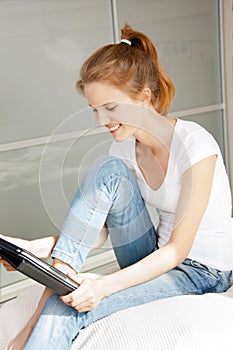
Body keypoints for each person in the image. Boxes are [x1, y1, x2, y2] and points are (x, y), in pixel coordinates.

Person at [1, 23, 232, 350]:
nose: (100, 121)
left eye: (110, 108)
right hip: (152, 253)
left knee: (69, 302)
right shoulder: (122, 148)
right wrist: (36, 248)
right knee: (106, 168)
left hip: (201, 271)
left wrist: (102, 286)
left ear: (144, 98)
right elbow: (97, 232)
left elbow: (179, 249)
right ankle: (40, 309)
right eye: (95, 110)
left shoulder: (195, 146)